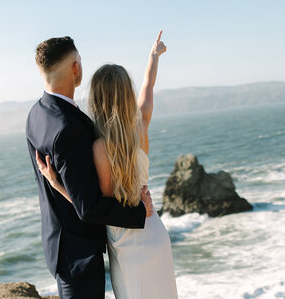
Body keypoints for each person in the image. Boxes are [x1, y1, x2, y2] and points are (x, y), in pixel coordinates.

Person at [37, 32, 179, 299]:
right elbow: (148, 90)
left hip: (127, 244)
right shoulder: (140, 126)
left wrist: (56, 183)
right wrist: (153, 56)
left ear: (97, 99)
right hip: (155, 233)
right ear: (127, 93)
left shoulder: (99, 149)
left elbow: (92, 206)